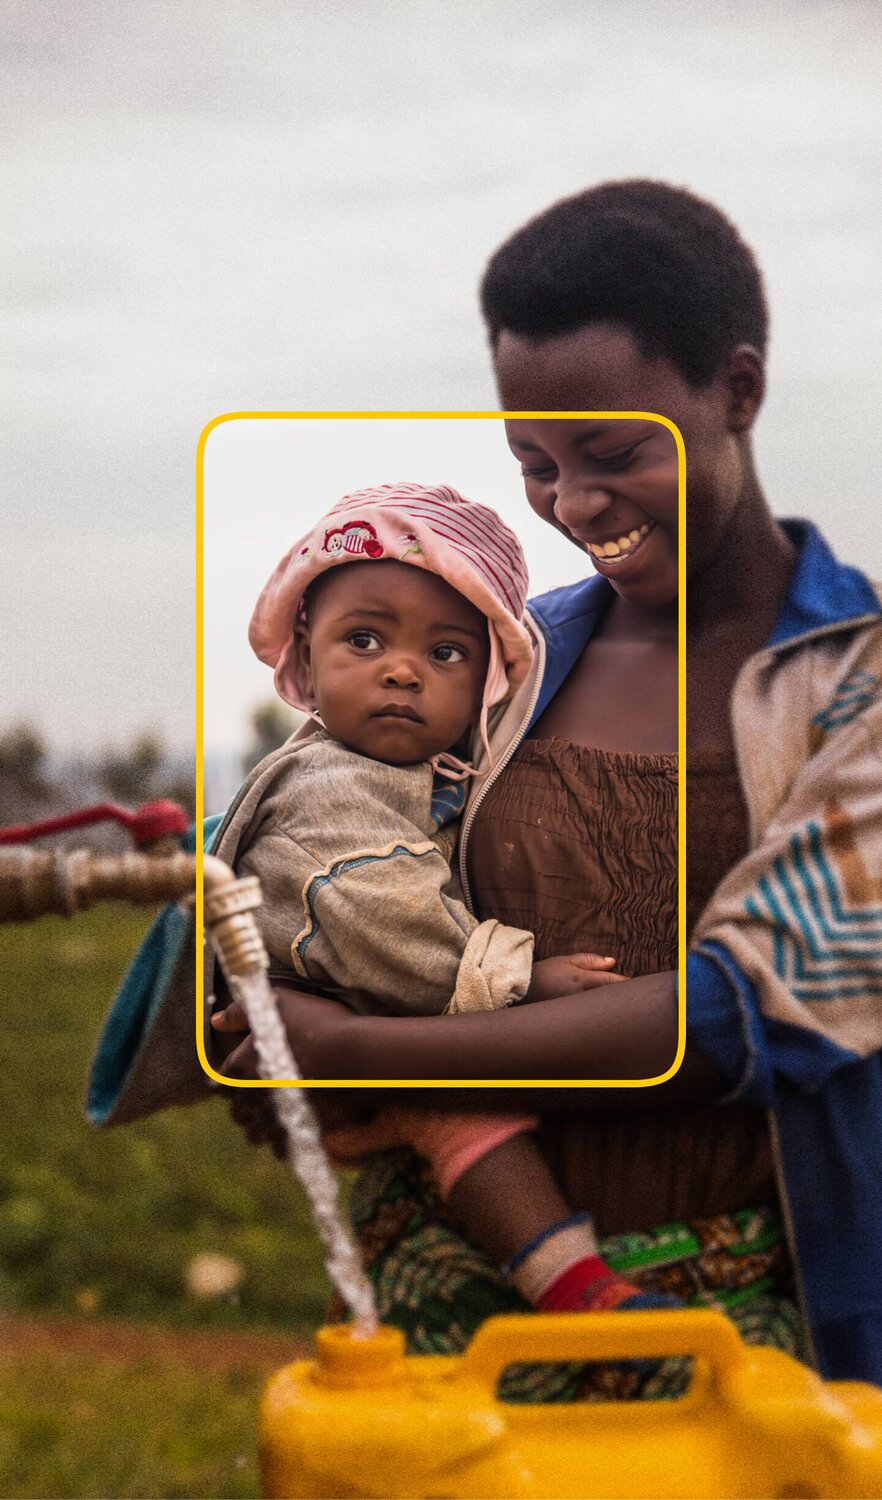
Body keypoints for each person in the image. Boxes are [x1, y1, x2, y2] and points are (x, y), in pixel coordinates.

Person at [216, 181, 882, 1394]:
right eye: (535, 464)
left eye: (616, 453)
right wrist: (263, 1015)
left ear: (736, 391)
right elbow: (335, 846)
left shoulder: (853, 684)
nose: (577, 508)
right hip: (455, 1297)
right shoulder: (502, 660)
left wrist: (359, 1053)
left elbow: (740, 1016)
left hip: (744, 1315)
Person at [209, 478, 683, 1325]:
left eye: (446, 654)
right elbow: (376, 915)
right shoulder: (331, 785)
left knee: (461, 1125)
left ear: (488, 685)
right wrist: (516, 981)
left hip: (341, 1037)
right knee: (466, 1111)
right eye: (365, 639)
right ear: (307, 659)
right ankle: (578, 1292)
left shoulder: (419, 778)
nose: (402, 670)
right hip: (324, 1040)